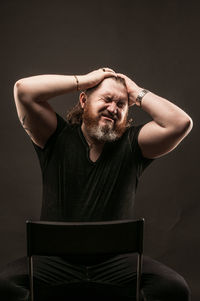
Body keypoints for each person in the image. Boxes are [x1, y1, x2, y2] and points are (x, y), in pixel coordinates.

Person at [0, 67, 192, 300]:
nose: (113, 108)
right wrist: (85, 80)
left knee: (173, 287)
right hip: (53, 260)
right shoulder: (54, 136)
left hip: (117, 263)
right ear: (83, 100)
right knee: (5, 285)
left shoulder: (133, 144)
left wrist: (135, 91)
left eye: (121, 105)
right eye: (107, 99)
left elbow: (180, 123)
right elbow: (23, 90)